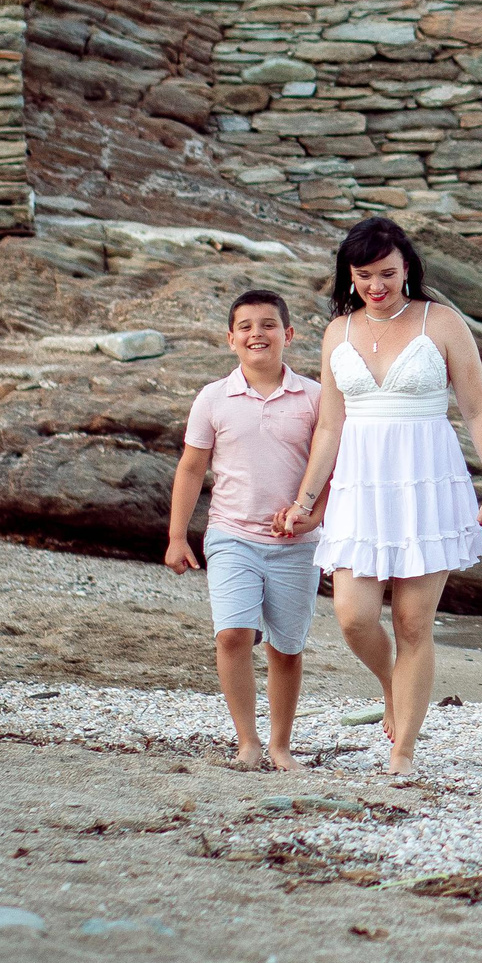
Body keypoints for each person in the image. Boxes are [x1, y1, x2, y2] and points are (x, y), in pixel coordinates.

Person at [282, 217, 482, 776]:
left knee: (413, 623)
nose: (377, 286)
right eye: (364, 276)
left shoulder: (444, 321)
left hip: (426, 485)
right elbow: (330, 427)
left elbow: (477, 410)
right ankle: (392, 682)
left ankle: (402, 750)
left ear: (407, 266)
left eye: (387, 273)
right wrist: (308, 498)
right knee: (354, 618)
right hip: (361, 487)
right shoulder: (339, 331)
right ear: (350, 276)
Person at [164, 289, 324, 772]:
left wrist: (314, 516)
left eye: (269, 325)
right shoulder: (214, 398)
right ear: (231, 338)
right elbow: (192, 468)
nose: (258, 333)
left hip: (297, 545)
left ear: (289, 335)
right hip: (231, 534)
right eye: (247, 326)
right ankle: (247, 740)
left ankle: (280, 745)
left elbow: (334, 470)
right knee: (233, 633)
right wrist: (177, 536)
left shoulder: (315, 397)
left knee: (286, 646)